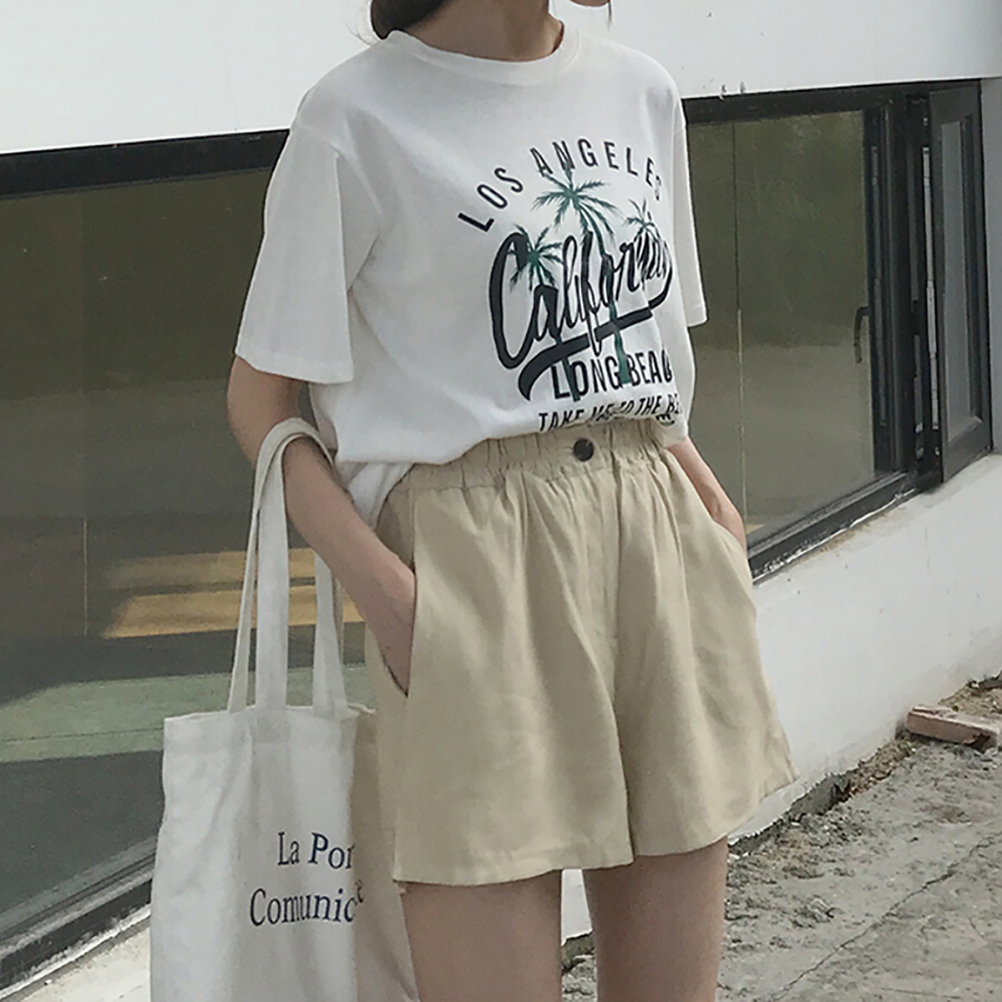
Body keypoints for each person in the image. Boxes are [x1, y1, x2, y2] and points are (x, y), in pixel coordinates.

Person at [226, 1, 798, 999]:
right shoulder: (355, 118)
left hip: (653, 529)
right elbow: (260, 401)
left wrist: (712, 515)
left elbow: (646, 348)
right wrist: (387, 593)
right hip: (467, 558)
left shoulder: (640, 90)